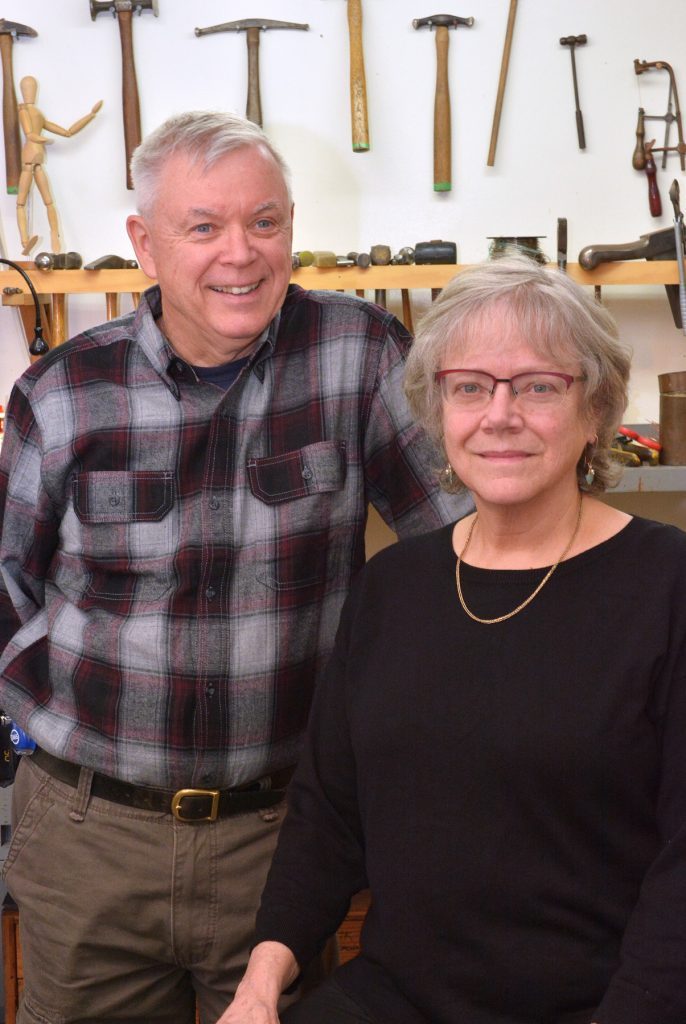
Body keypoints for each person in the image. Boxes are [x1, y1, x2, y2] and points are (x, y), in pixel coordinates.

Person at [0, 111, 470, 1024]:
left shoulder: (359, 354)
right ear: (144, 243)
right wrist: (43, 714)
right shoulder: (62, 391)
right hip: (91, 838)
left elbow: (454, 547)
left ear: (292, 227)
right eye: (204, 226)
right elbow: (6, 578)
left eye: (266, 223)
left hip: (283, 842)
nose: (241, 255)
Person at [222, 255, 686, 1024]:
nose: (499, 415)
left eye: (538, 386)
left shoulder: (667, 586)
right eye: (469, 387)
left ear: (596, 408)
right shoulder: (394, 587)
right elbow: (328, 815)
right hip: (392, 1002)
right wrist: (261, 983)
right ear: (437, 413)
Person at [16, 75, 102, 254]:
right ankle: (24, 239)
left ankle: (55, 236)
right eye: (28, 89)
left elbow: (67, 132)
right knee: (21, 202)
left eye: (32, 89)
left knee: (49, 201)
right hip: (28, 160)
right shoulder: (23, 111)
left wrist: (91, 115)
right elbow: (30, 134)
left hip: (38, 161)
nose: (30, 92)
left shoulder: (38, 114)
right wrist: (45, 140)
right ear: (23, 91)